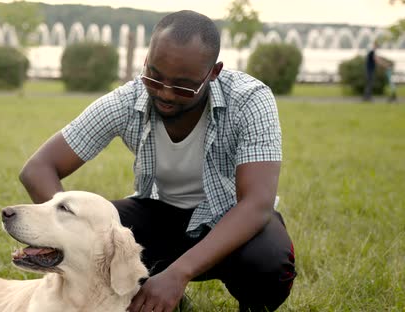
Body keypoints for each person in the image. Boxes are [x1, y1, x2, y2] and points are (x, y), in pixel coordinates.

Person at [19, 10, 296, 312]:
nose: (164, 93)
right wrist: (76, 238)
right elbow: (38, 168)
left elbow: (257, 203)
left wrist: (179, 273)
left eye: (182, 86)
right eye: (154, 76)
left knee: (268, 262)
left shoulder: (250, 100)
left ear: (213, 73)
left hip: (230, 222)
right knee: (103, 232)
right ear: (145, 60)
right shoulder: (129, 98)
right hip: (160, 217)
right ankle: (150, 295)